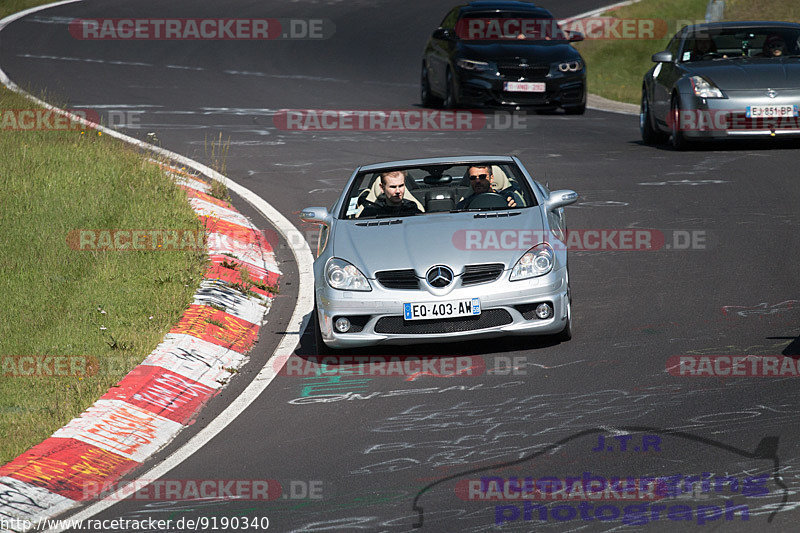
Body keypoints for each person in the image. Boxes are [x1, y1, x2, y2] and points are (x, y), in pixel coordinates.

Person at [358, 170, 422, 217]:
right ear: (382, 188)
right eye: (393, 187)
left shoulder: (412, 209)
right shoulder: (371, 212)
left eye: (401, 186)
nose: (398, 191)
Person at [456, 165, 523, 209]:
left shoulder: (509, 198)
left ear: (491, 178)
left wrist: (514, 207)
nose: (477, 181)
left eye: (482, 177)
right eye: (473, 178)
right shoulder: (463, 205)